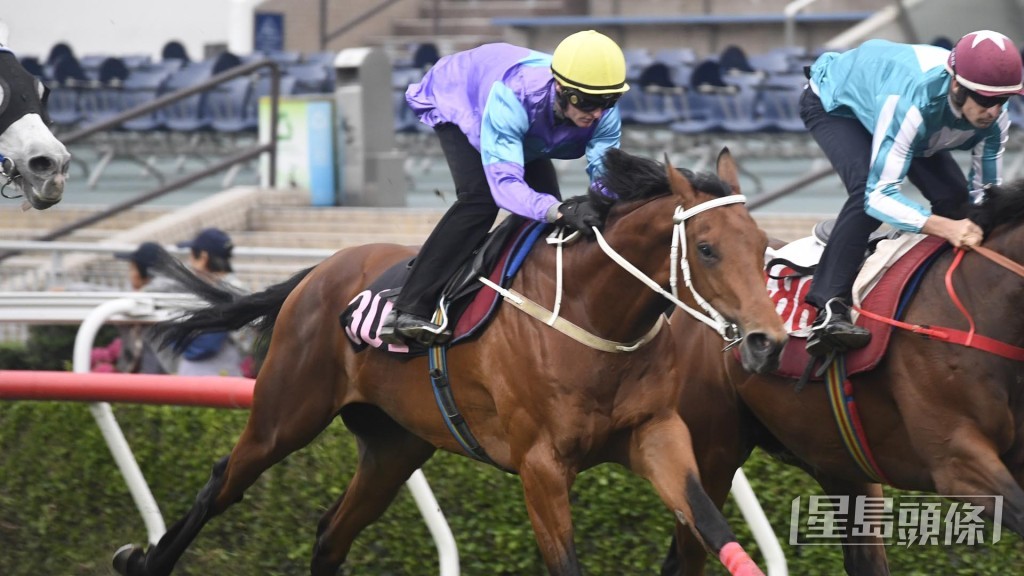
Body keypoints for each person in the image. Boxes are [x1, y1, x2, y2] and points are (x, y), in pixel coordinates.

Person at [379, 29, 630, 346]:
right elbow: (505, 185)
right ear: (562, 88)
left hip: (530, 128)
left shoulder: (602, 109)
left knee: (544, 212)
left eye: (608, 102)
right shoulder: (513, 96)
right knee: (480, 200)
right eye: (590, 103)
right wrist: (558, 209)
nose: (597, 113)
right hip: (465, 99)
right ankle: (408, 308)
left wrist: (601, 204)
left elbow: (604, 170)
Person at [799, 30, 1023, 357]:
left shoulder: (995, 120)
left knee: (957, 202)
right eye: (986, 99)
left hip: (902, 117)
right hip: (838, 105)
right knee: (865, 192)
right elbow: (879, 196)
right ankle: (829, 307)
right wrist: (945, 227)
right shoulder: (914, 104)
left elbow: (985, 194)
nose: (993, 110)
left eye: (1002, 100)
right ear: (957, 86)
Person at [174, 227, 248, 376]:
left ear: (203, 257)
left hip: (214, 370)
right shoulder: (233, 287)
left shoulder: (227, 291)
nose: (190, 262)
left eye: (192, 256)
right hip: (224, 368)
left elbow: (206, 345)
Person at [114, 241, 184, 374]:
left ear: (144, 271)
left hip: (163, 368)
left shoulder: (164, 287)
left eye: (132, 268)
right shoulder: (158, 287)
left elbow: (124, 298)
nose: (130, 274)